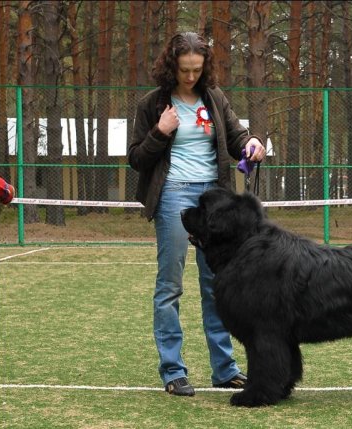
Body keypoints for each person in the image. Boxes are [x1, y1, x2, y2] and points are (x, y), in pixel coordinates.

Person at [128, 32, 266, 396]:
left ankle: (225, 370)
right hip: (173, 195)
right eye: (184, 70)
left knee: (216, 285)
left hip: (215, 198)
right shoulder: (151, 104)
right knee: (170, 287)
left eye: (196, 70)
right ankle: (173, 371)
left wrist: (251, 142)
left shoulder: (215, 98)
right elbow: (137, 159)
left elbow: (237, 135)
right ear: (171, 66)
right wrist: (161, 131)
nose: (190, 77)